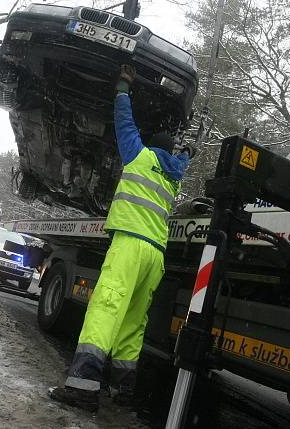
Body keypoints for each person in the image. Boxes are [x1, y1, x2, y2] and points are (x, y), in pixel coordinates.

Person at [49, 64, 193, 412]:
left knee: (105, 311)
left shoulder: (140, 157)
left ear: (151, 147)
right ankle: (123, 389)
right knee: (133, 322)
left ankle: (83, 388)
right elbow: (184, 160)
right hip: (155, 256)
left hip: (129, 246)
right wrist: (187, 152)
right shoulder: (173, 178)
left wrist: (123, 89)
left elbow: (123, 122)